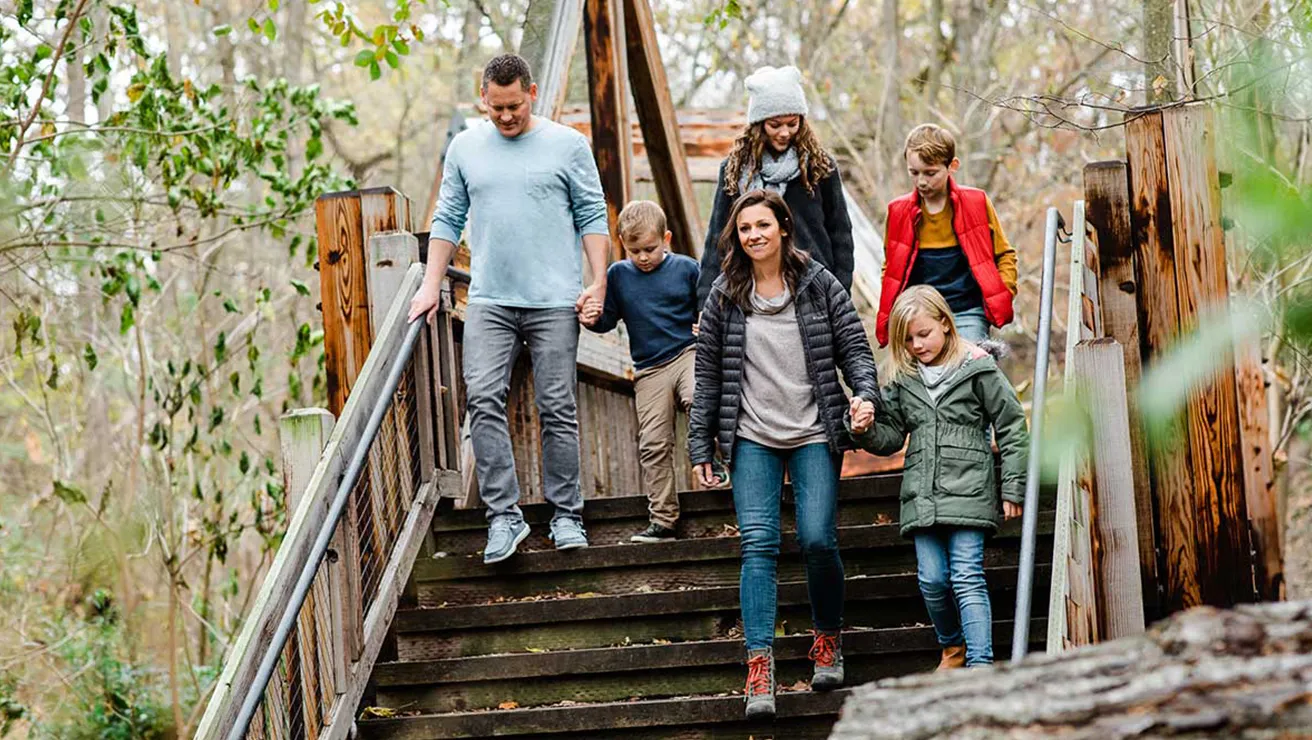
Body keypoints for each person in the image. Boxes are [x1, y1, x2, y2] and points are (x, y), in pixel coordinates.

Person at [408, 53, 611, 565]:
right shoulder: (466, 147)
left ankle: (567, 515)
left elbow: (592, 214)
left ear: (533, 93)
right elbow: (447, 218)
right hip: (490, 299)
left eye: (514, 105)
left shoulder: (568, 145)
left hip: (553, 301)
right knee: (481, 400)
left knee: (558, 408)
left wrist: (599, 282)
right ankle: (504, 516)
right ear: (484, 99)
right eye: (496, 107)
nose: (505, 116)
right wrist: (431, 285)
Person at [688, 189, 878, 719]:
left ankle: (827, 639)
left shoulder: (820, 284)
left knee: (818, 538)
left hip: (815, 430)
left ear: (783, 228)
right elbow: (707, 380)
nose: (754, 235)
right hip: (752, 437)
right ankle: (759, 666)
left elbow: (855, 349)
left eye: (762, 225)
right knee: (759, 546)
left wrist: (864, 395)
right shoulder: (724, 295)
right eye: (744, 228)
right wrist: (701, 443)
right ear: (737, 237)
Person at [849, 285, 1029, 669]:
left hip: (970, 489)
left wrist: (1013, 485)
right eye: (908, 339)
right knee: (932, 580)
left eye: (924, 333)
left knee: (966, 577)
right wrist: (864, 428)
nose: (916, 344)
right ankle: (952, 646)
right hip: (923, 494)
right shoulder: (904, 382)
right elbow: (892, 435)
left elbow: (1012, 426)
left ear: (946, 325)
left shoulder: (978, 369)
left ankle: (980, 664)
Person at [579, 201, 699, 543]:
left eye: (650, 248)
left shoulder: (687, 269)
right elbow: (609, 319)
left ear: (667, 239)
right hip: (649, 368)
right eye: (634, 251)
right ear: (622, 246)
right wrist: (591, 320)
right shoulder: (619, 275)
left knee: (697, 398)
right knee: (653, 443)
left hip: (687, 353)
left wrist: (706, 322)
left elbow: (709, 302)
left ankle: (706, 457)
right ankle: (663, 519)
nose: (643, 257)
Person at [695, 65, 854, 312]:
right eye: (775, 124)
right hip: (750, 288)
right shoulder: (735, 171)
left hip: (814, 290)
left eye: (793, 123)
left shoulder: (820, 167)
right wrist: (706, 302)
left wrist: (841, 293)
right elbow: (718, 237)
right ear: (758, 124)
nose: (784, 133)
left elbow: (841, 234)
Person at [875, 124, 1018, 346]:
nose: (922, 181)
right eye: (914, 172)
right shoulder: (898, 212)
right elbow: (891, 269)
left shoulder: (976, 203)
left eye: (930, 173)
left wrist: (1002, 294)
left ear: (952, 166)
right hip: (920, 316)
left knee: (968, 369)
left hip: (968, 311)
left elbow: (1005, 255)